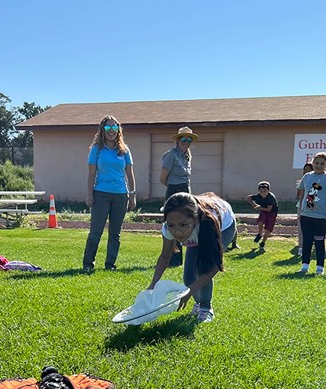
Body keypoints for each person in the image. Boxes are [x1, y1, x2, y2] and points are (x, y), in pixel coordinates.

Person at [147, 192, 236, 323]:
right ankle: (199, 303)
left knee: (202, 269)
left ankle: (206, 307)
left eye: (183, 225)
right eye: (172, 225)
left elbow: (214, 266)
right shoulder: (169, 227)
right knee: (188, 277)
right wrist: (153, 284)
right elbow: (165, 256)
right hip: (196, 231)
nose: (177, 231)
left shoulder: (208, 224)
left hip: (224, 227)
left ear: (195, 219)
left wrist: (190, 291)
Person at [82, 116, 136, 272]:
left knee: (115, 233)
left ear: (118, 130)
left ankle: (110, 264)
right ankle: (88, 264)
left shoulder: (124, 150)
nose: (111, 131)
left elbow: (130, 174)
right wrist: (89, 194)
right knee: (96, 231)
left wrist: (132, 195)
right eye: (108, 128)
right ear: (102, 130)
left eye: (114, 128)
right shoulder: (96, 150)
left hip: (120, 195)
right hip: (101, 194)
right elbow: (91, 174)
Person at [160, 126, 196, 267]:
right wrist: (173, 190)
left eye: (189, 140)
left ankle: (183, 259)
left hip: (185, 192)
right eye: (183, 139)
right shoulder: (170, 155)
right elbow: (163, 178)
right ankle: (173, 258)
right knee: (174, 225)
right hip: (174, 191)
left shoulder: (187, 156)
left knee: (186, 223)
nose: (186, 142)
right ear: (177, 140)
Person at [297, 152, 326, 275]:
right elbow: (302, 195)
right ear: (313, 163)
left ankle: (320, 267)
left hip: (321, 217)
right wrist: (300, 212)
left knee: (319, 242)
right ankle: (305, 266)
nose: (319, 166)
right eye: (317, 163)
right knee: (307, 241)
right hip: (306, 215)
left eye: (322, 164)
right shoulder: (307, 177)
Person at [247, 181, 278, 251]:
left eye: (265, 191)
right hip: (263, 210)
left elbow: (269, 209)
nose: (263, 193)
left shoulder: (271, 197)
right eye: (261, 191)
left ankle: (263, 242)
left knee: (268, 228)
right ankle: (259, 234)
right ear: (258, 191)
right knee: (260, 221)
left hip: (272, 212)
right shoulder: (258, 196)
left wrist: (259, 208)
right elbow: (249, 198)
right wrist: (255, 205)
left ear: (268, 191)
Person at [296, 162, 314, 256]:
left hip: (314, 207)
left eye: (309, 169)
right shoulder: (302, 181)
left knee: (311, 230)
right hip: (302, 206)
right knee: (301, 229)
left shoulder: (318, 181)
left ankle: (310, 246)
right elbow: (298, 195)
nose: (306, 171)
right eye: (305, 170)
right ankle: (301, 247)